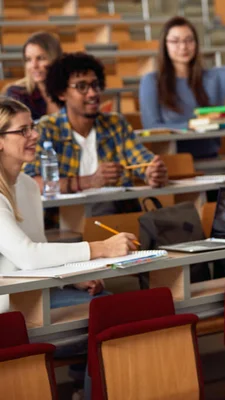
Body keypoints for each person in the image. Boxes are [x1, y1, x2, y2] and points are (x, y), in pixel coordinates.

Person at [0, 96, 138, 397]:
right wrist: (100, 248)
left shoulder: (25, 185)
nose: (34, 135)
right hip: (8, 307)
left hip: (35, 293)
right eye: (23, 131)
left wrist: (74, 278)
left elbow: (39, 249)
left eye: (33, 127)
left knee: (111, 305)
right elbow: (28, 255)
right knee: (111, 315)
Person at [23, 52, 168, 216]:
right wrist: (89, 181)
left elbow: (142, 160)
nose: (92, 93)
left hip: (117, 219)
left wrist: (153, 172)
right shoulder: (46, 129)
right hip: (65, 222)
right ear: (61, 93)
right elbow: (31, 183)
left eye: (95, 85)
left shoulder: (115, 124)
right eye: (81, 87)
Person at [139, 2, 225, 159]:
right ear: (164, 46)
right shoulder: (151, 81)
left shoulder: (213, 78)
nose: (183, 47)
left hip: (210, 159)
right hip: (172, 161)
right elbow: (152, 127)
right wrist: (196, 126)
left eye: (189, 40)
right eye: (175, 41)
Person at [5, 31, 62, 120]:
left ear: (55, 59)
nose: (34, 65)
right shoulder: (16, 94)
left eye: (41, 58)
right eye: (28, 60)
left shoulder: (70, 91)